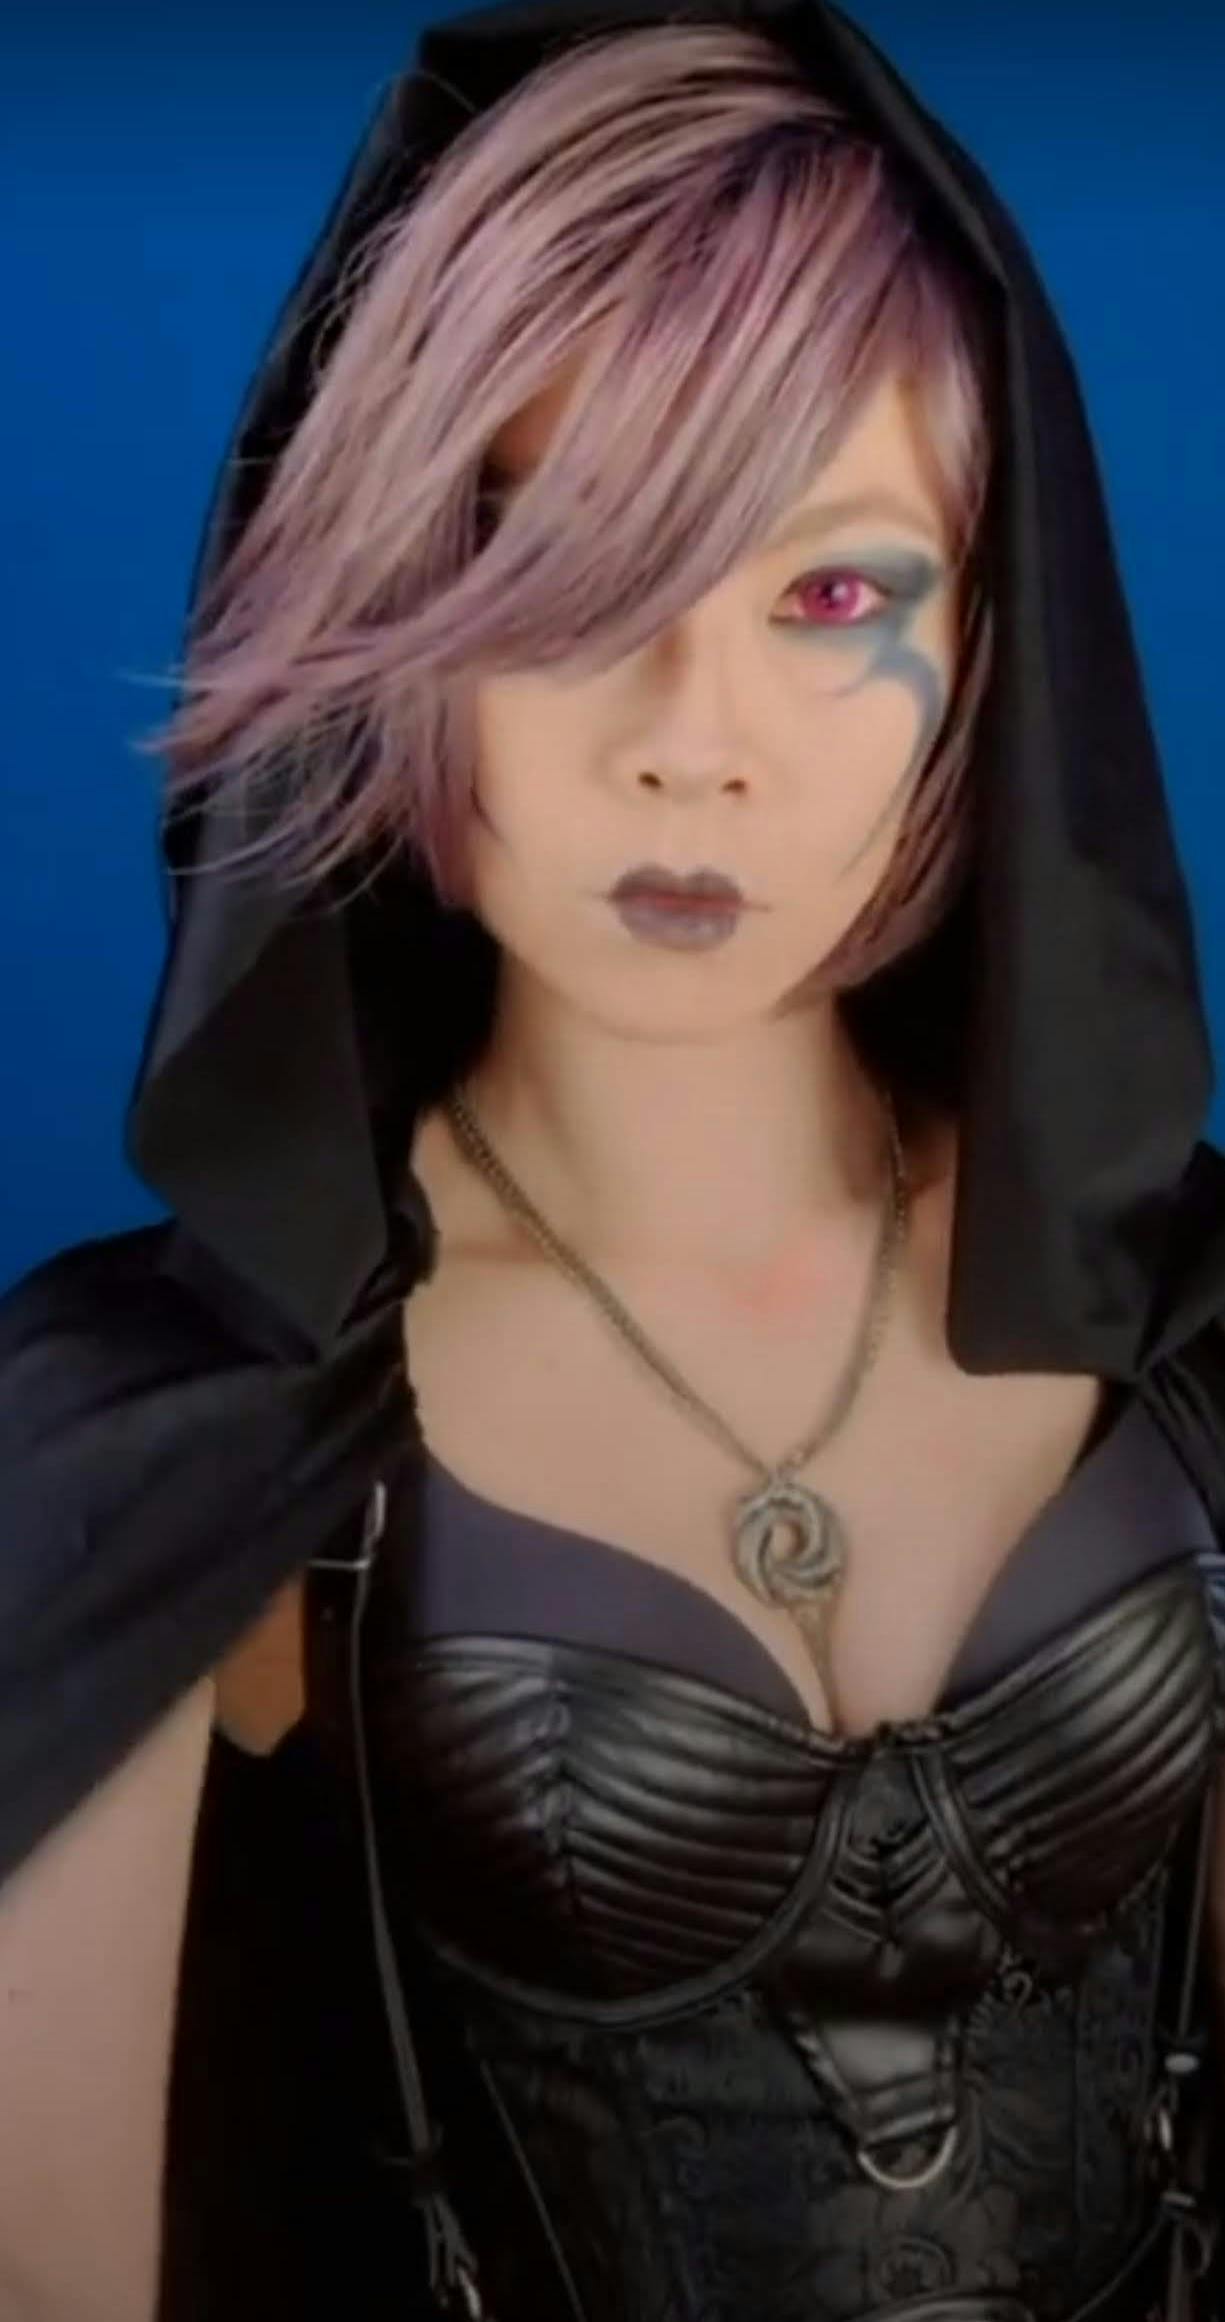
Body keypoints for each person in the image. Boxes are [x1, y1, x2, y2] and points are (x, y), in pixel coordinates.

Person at [2, 2, 1224, 2318]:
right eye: (564, 590)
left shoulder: (1188, 1328)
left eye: (832, 594)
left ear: (992, 646)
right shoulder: (159, 1440)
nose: (693, 745)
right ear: (389, 628)